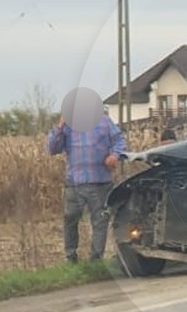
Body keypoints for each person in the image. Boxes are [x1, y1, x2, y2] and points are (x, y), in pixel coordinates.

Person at [47, 113, 127, 264]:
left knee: (99, 222)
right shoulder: (68, 126)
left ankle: (96, 261)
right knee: (70, 219)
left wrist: (115, 156)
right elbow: (53, 149)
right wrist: (60, 127)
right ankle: (71, 258)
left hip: (100, 181)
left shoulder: (104, 121)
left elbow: (119, 141)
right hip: (75, 182)